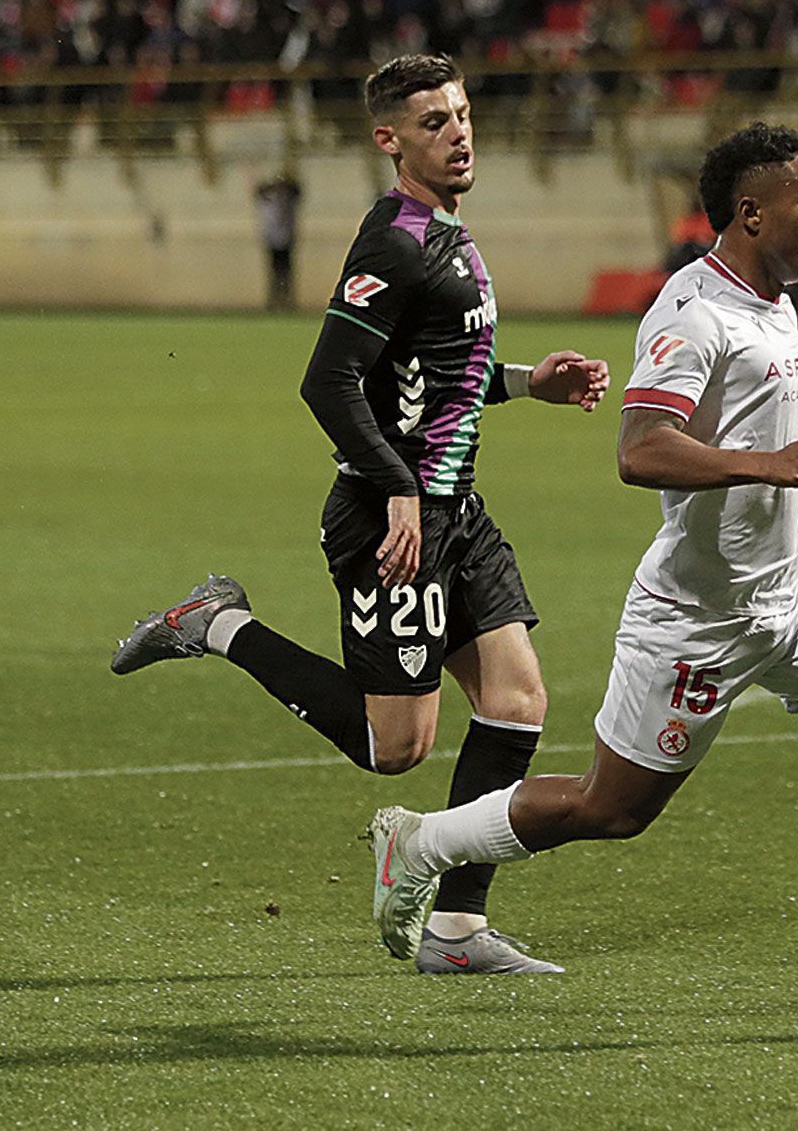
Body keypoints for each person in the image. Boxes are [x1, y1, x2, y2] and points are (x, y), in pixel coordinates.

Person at [363, 122, 798, 1014]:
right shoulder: (692, 311)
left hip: (795, 588)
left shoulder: (771, 301)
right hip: (699, 616)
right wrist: (770, 467)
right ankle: (422, 841)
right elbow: (642, 450)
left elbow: (751, 450)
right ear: (750, 213)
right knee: (609, 808)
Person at [109, 54, 609, 976]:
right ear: (389, 140)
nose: (457, 133)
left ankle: (457, 930)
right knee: (396, 750)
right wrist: (400, 489)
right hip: (392, 520)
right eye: (432, 122)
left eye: (461, 114)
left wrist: (529, 382)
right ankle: (216, 623)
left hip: (456, 511)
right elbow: (328, 381)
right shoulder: (396, 242)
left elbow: (428, 383)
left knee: (517, 700)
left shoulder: (450, 233)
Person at [255, 168, 303, 310]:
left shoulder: (288, 202)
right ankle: (275, 300)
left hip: (287, 240)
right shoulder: (270, 201)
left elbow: (297, 191)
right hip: (273, 240)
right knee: (274, 272)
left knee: (286, 273)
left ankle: (287, 300)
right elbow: (259, 191)